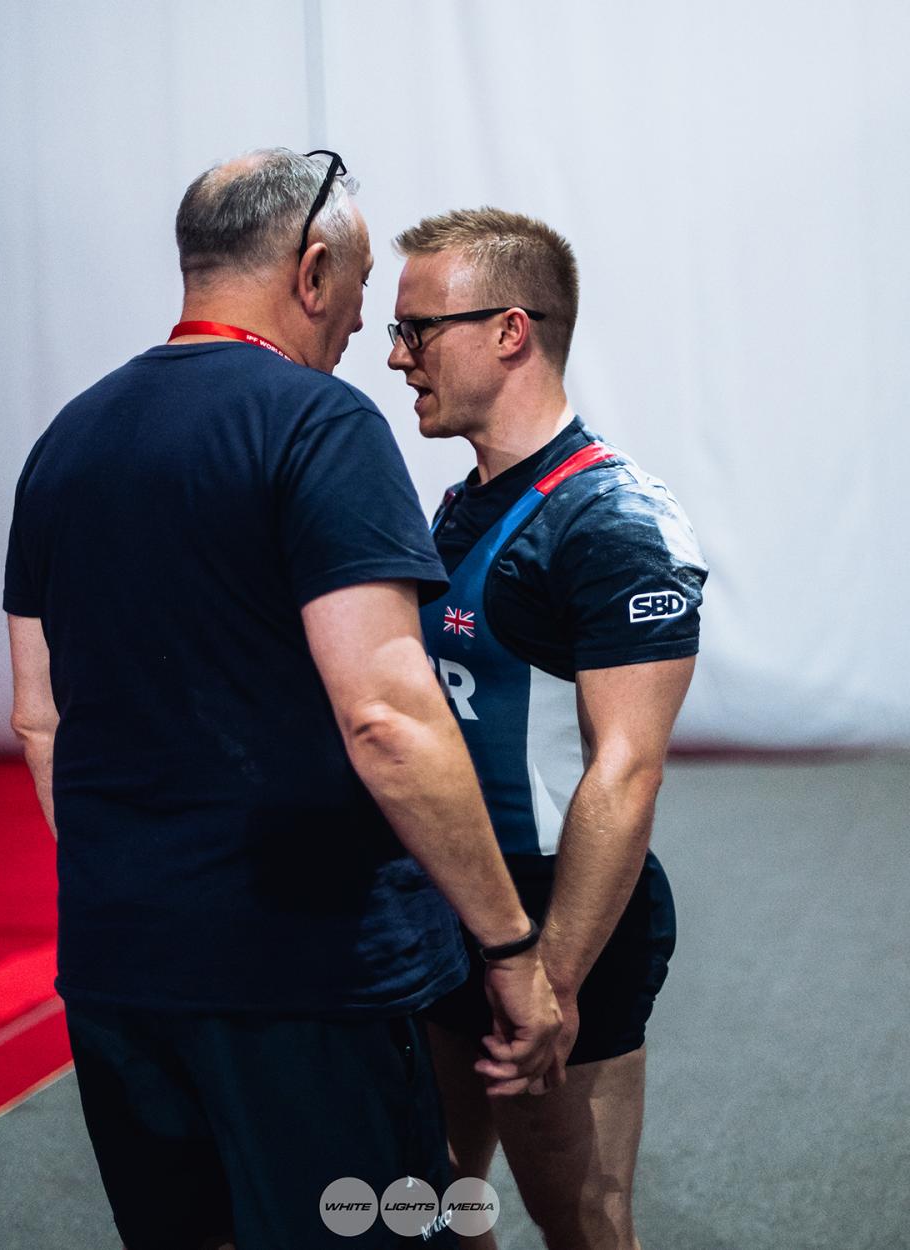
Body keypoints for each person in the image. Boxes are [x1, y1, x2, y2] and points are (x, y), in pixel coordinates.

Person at [4, 153, 562, 1250]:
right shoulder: (317, 424)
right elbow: (387, 715)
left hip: (119, 966)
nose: (368, 329)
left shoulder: (64, 441)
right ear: (312, 270)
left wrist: (143, 877)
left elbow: (38, 717)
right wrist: (507, 946)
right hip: (301, 977)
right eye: (358, 291)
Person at [387, 208, 708, 1250]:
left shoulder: (611, 522)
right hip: (451, 902)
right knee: (434, 1195)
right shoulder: (461, 502)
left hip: (558, 918)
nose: (396, 356)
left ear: (509, 331)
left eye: (419, 329)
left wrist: (551, 977)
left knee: (579, 1216)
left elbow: (626, 771)